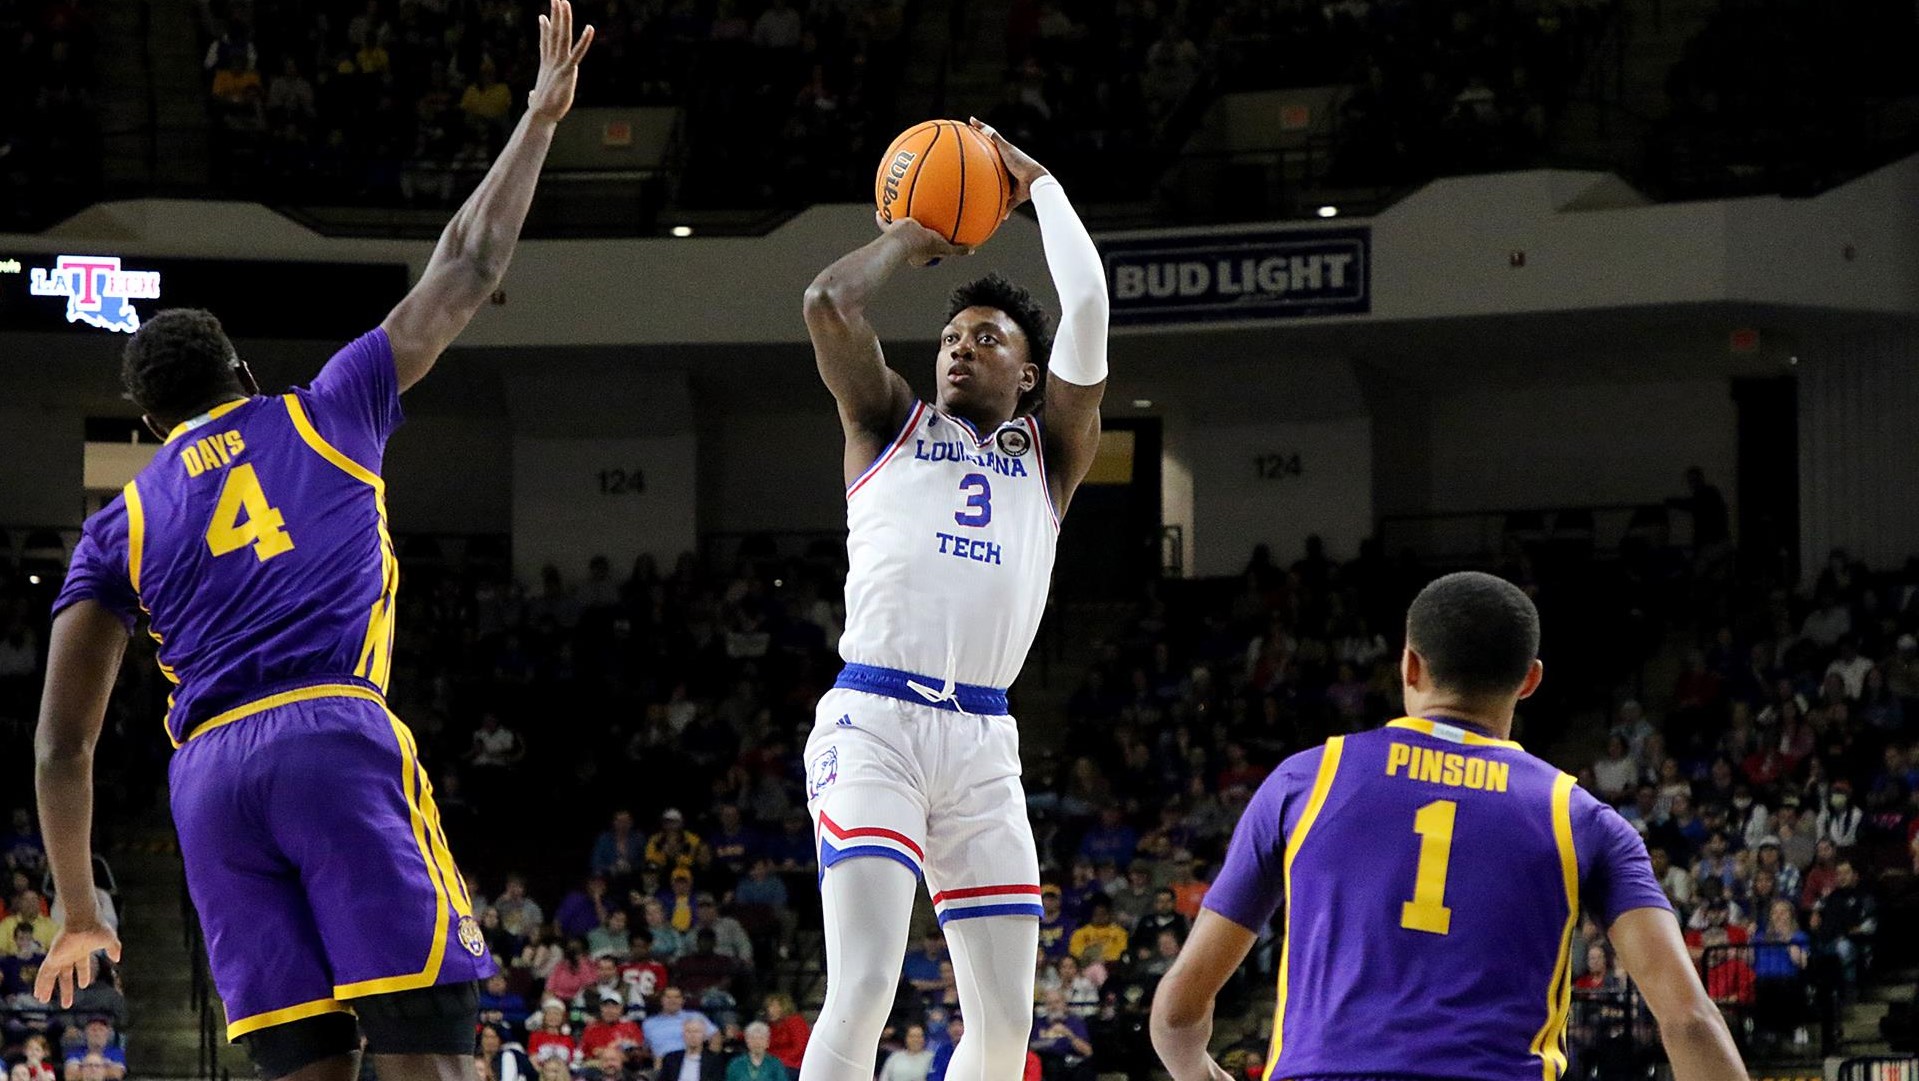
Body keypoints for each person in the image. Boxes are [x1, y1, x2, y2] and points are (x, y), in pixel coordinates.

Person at [30, 7, 595, 1079]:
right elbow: (468, 263)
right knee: (426, 1054)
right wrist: (535, 118)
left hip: (207, 783)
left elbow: (63, 746)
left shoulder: (121, 521)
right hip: (330, 735)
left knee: (307, 1067)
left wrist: (76, 909)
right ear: (240, 373)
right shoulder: (324, 408)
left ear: (152, 424)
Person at [1148, 571, 1748, 1081]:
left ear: (1409, 665)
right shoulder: (1583, 817)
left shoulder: (1307, 781)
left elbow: (1178, 1013)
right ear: (1530, 679)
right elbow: (1689, 1021)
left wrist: (1201, 1074)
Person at [796, 117, 1109, 1081]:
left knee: (1006, 1025)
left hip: (981, 742)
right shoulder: (887, 419)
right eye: (948, 336)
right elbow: (827, 301)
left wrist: (1040, 183)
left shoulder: (1050, 456)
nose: (957, 349)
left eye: (985, 337)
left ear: (1028, 372)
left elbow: (1089, 301)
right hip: (876, 720)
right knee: (863, 985)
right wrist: (910, 234)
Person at [642, 988, 713, 1058]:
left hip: (689, 1063)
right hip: (661, 1065)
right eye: (668, 997)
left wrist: (708, 1061)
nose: (673, 1000)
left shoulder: (696, 1017)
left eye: (677, 997)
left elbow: (715, 1037)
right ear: (661, 1000)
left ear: (683, 1000)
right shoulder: (648, 1023)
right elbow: (645, 1049)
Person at [657, 1018, 724, 1081]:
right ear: (683, 1035)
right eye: (688, 1032)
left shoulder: (714, 1060)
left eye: (697, 1032)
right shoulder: (671, 1058)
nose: (692, 1035)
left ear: (704, 1036)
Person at [762, 992, 809, 1072]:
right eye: (768, 1007)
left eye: (774, 1007)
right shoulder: (771, 1026)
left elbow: (800, 1049)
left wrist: (778, 1060)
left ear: (784, 1007)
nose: (770, 1010)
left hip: (793, 1066)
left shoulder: (795, 1021)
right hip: (774, 1064)